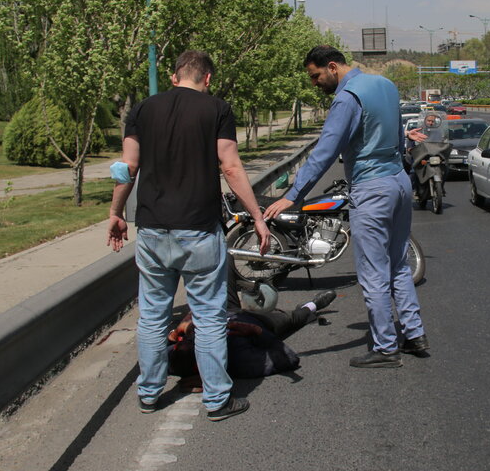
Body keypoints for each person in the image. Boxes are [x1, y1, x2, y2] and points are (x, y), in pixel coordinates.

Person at [107, 49, 270, 421]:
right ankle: (216, 400)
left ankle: (148, 393)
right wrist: (257, 216)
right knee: (209, 316)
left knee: (152, 316)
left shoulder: (143, 110)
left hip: (151, 229)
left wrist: (116, 213)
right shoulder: (217, 109)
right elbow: (230, 166)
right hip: (198, 229)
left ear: (174, 75)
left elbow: (126, 168)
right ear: (208, 79)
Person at [263, 46, 428, 368]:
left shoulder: (347, 97)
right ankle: (414, 334)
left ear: (333, 67)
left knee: (373, 272)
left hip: (371, 188)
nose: (315, 83)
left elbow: (326, 151)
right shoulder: (386, 85)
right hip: (398, 181)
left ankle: (385, 348)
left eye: (316, 75)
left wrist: (293, 194)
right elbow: (396, 138)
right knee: (398, 265)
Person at [168, 283, 338, 386]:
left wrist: (180, 328)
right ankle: (311, 306)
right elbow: (289, 359)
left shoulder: (182, 346)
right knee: (292, 318)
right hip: (259, 321)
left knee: (224, 258)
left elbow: (158, 348)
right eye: (192, 343)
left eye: (187, 340)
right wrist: (256, 331)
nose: (192, 338)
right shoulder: (239, 359)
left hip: (222, 310)